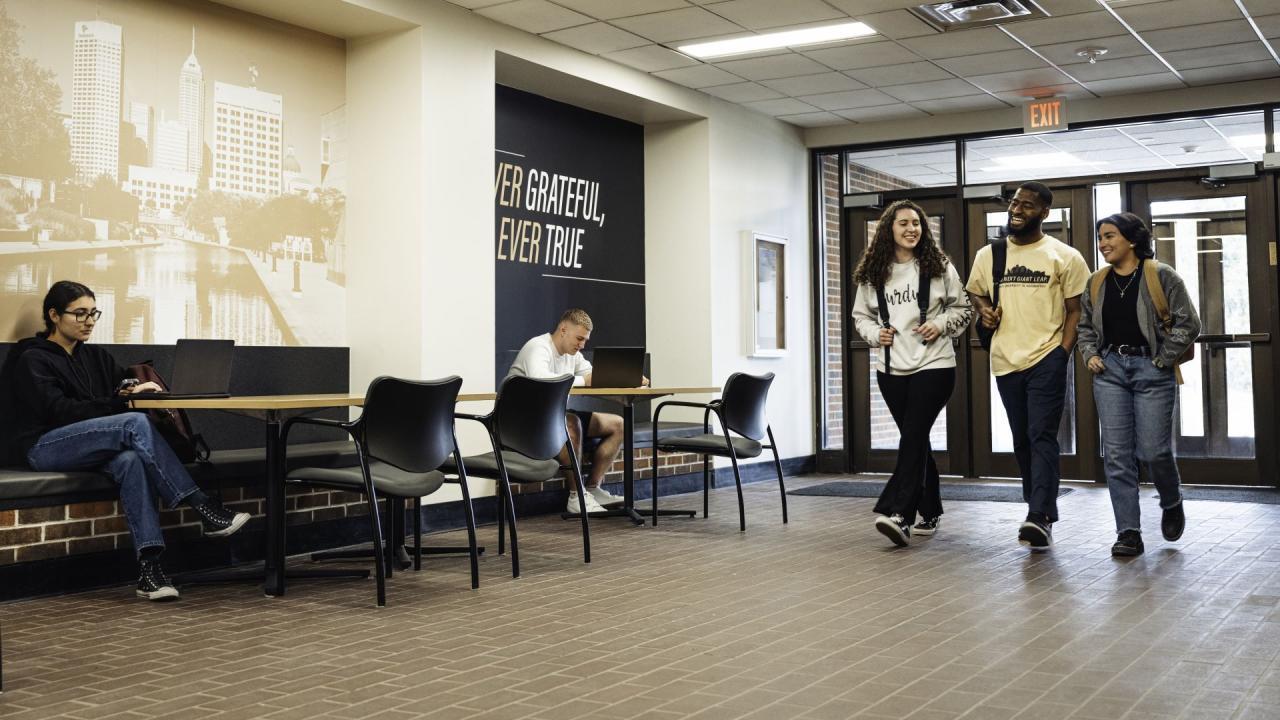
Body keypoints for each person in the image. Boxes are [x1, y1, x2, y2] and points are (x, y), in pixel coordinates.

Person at [2, 281, 250, 601]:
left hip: (88, 445)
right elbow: (61, 412)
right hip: (43, 448)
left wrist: (136, 390)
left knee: (131, 460)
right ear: (53, 315)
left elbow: (120, 388)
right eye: (79, 314)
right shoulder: (33, 359)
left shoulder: (96, 357)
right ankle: (202, 506)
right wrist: (120, 403)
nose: (89, 321)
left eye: (93, 313)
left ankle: (150, 570)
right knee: (133, 423)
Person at [966, 182, 1089, 551]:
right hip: (1005, 360)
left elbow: (1075, 311)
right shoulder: (990, 255)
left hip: (1046, 359)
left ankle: (1039, 516)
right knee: (1022, 439)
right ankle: (1037, 508)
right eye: (1015, 204)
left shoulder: (1064, 256)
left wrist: (1062, 354)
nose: (1017, 210)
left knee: (1041, 436)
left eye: (1028, 206)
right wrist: (983, 310)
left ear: (1045, 213)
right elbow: (976, 290)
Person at [1078, 212, 1200, 556]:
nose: (1102, 244)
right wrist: (1089, 354)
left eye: (1110, 236)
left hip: (1152, 368)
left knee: (1153, 450)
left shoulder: (1161, 275)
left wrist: (1163, 358)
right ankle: (1128, 532)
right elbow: (1085, 326)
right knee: (1117, 455)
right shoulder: (1097, 281)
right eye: (1100, 237)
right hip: (1110, 371)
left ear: (1131, 239)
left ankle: (1171, 500)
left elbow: (1189, 323)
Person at [852, 200, 973, 546]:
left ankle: (900, 514)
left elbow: (963, 310)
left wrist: (940, 324)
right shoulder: (873, 273)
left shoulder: (939, 267)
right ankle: (931, 509)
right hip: (890, 370)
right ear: (889, 229)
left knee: (914, 435)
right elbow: (860, 316)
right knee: (915, 439)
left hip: (934, 366)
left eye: (917, 223)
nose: (911, 229)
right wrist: (876, 335)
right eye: (903, 223)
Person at [507, 308, 647, 514]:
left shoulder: (574, 355)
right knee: (571, 422)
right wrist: (584, 380)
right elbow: (541, 379)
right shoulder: (538, 347)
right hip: (523, 422)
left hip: (552, 416)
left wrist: (629, 378)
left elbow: (596, 376)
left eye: (585, 341)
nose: (582, 345)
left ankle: (592, 488)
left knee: (618, 424)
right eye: (579, 338)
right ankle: (576, 497)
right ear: (563, 330)